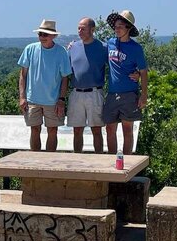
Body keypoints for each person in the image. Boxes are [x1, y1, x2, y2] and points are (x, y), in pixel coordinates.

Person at [18, 19, 71, 151]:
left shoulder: (61, 52)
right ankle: (36, 161)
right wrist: (22, 97)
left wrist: (61, 99)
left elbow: (65, 78)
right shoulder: (30, 49)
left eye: (45, 34)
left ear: (54, 36)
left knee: (52, 130)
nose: (42, 37)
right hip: (32, 99)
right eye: (40, 34)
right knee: (34, 129)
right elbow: (22, 75)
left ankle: (49, 163)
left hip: (52, 100)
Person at [103, 10, 148, 155]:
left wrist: (144, 95)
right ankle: (112, 161)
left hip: (129, 94)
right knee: (110, 128)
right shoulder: (110, 43)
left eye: (120, 26)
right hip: (111, 93)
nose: (117, 29)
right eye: (115, 26)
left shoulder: (136, 49)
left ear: (128, 28)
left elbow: (143, 72)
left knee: (127, 129)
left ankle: (127, 162)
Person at [66, 17, 108, 153]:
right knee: (77, 130)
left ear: (92, 29)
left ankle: (99, 159)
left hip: (95, 93)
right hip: (76, 93)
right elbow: (66, 72)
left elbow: (116, 65)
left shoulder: (103, 47)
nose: (80, 31)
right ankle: (77, 159)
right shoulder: (72, 48)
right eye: (78, 28)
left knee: (96, 129)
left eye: (83, 28)